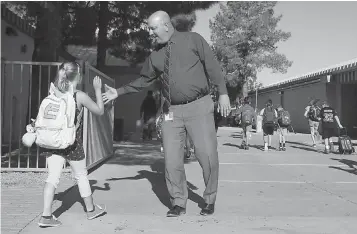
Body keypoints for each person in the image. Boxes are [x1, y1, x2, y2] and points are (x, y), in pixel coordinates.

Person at [102, 11, 231, 217]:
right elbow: (143, 80)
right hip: (171, 111)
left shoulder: (193, 39)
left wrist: (223, 93)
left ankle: (209, 198)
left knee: (206, 155)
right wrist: (118, 92)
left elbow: (212, 66)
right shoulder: (155, 56)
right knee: (171, 160)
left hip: (199, 106)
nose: (151, 34)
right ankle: (178, 201)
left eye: (153, 29)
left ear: (165, 25)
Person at [38, 62, 106, 227]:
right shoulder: (79, 96)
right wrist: (97, 90)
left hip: (52, 142)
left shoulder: (52, 94)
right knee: (81, 175)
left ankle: (46, 216)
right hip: (71, 143)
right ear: (78, 76)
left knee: (52, 178)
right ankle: (91, 210)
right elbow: (99, 111)